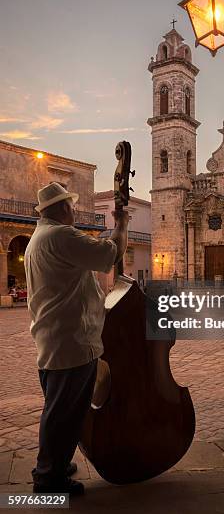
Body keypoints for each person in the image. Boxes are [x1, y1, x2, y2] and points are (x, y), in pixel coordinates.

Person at [24, 182, 128, 496]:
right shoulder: (60, 236)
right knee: (63, 414)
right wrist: (121, 223)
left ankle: (55, 463)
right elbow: (111, 253)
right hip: (70, 341)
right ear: (61, 209)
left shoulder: (38, 239)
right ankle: (48, 478)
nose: (73, 209)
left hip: (54, 339)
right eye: (70, 205)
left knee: (59, 410)